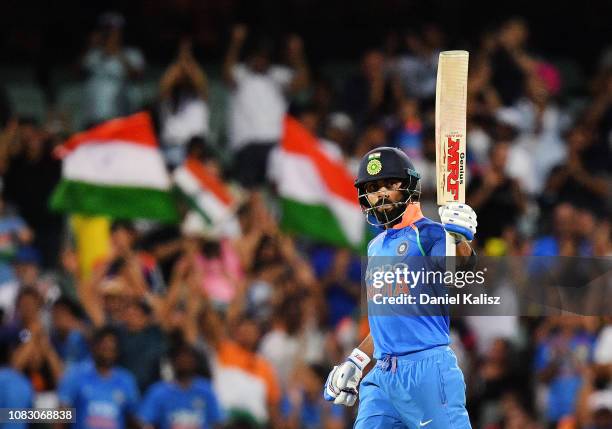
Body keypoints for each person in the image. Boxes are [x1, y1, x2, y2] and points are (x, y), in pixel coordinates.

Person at [323, 147, 478, 428]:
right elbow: (385, 319)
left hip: (427, 372)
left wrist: (460, 239)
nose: (380, 194)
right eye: (371, 188)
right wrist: (356, 361)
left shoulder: (431, 233)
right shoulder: (375, 246)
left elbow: (460, 267)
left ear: (408, 186)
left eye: (389, 184)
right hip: (382, 376)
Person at [223, 24, 309, 188]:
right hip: (247, 144)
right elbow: (227, 74)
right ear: (250, 57)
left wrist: (297, 54)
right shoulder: (241, 73)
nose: (261, 60)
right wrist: (235, 43)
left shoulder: (278, 75)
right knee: (247, 192)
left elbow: (302, 82)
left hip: (275, 144)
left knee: (278, 191)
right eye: (257, 56)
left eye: (264, 56)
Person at [57, 326, 140, 429]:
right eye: (104, 348)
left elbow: (133, 418)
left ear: (117, 352)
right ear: (94, 347)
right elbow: (62, 415)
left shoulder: (126, 380)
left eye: (112, 349)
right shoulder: (76, 375)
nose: (108, 353)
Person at [138, 341, 224, 429]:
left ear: (195, 362)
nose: (184, 362)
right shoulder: (158, 392)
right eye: (180, 359)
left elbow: (218, 422)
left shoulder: (205, 390)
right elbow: (145, 421)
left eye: (188, 359)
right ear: (173, 362)